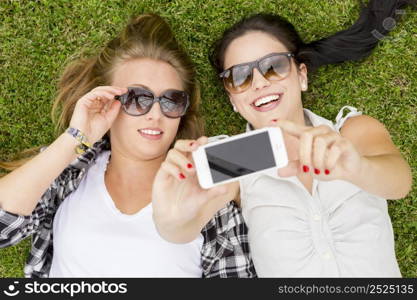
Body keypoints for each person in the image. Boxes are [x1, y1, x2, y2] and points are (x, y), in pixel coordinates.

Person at [152, 0, 414, 277]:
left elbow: (400, 184)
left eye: (273, 65)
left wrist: (358, 168)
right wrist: (169, 214)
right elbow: (180, 230)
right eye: (239, 76)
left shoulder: (353, 132)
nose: (259, 83)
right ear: (233, 99)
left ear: (301, 75)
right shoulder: (232, 162)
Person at [0, 13, 256, 278]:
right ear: (105, 100)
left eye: (171, 100)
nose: (155, 114)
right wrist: (75, 137)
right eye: (137, 98)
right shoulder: (70, 170)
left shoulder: (209, 199)